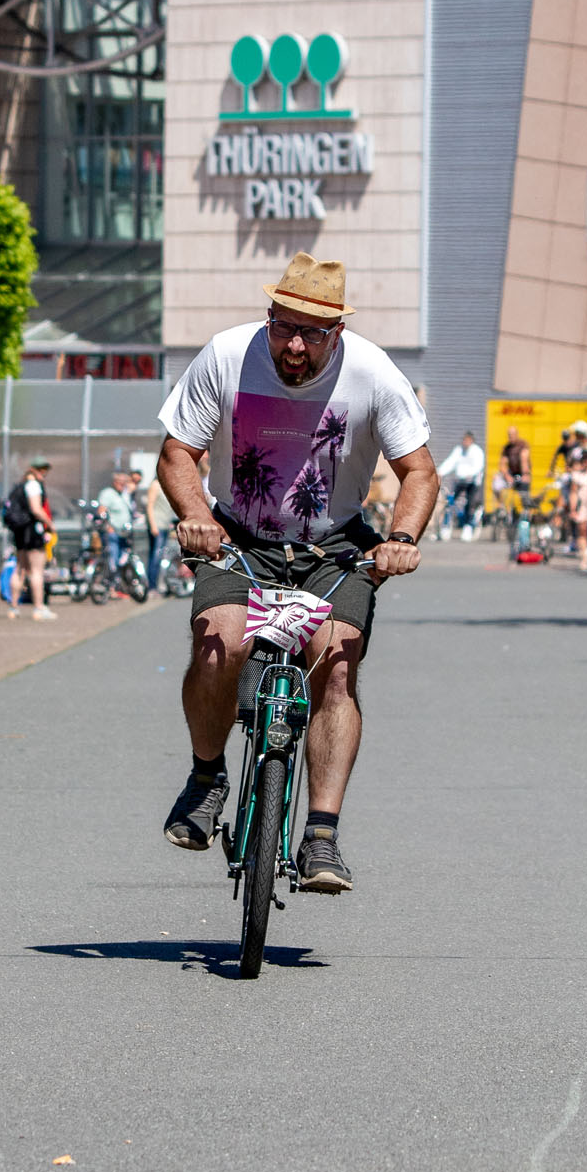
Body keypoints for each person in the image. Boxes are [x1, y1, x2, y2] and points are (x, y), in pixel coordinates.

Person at [155, 251, 437, 893]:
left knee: (336, 662)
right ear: (270, 316)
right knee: (218, 640)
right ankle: (206, 778)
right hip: (241, 538)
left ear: (337, 331)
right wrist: (198, 517)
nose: (295, 344)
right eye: (285, 326)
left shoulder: (371, 372)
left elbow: (418, 471)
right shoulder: (228, 356)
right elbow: (178, 455)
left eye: (313, 332)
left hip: (335, 545)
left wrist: (400, 538)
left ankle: (321, 836)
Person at [5, 457, 57, 621]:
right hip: (32, 531)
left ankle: (13, 608)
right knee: (36, 571)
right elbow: (36, 509)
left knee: (19, 568)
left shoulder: (20, 486)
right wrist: (49, 524)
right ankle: (39, 608)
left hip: (20, 531)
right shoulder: (34, 485)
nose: (44, 474)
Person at [438, 431, 485, 541]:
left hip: (472, 482)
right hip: (460, 481)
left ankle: (468, 527)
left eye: (467, 440)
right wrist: (440, 472)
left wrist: (470, 474)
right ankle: (447, 526)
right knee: (451, 502)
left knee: (470, 503)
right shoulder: (459, 450)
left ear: (471, 441)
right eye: (464, 440)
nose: (465, 442)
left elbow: (479, 466)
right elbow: (450, 462)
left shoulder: (477, 451)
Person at [97, 470, 135, 573]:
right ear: (114, 481)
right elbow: (101, 511)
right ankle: (113, 583)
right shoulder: (108, 493)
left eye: (125, 481)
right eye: (120, 481)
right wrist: (108, 526)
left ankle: (121, 581)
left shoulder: (125, 494)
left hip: (125, 533)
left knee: (123, 559)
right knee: (113, 558)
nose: (122, 484)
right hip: (113, 532)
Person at [145, 472, 177, 590]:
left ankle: (157, 583)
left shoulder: (166, 485)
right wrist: (153, 525)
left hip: (164, 525)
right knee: (155, 556)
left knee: (161, 555)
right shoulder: (155, 485)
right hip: (157, 525)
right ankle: (152, 586)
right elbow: (150, 505)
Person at [498, 426, 532, 519]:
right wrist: (507, 476)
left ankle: (526, 517)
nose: (510, 437)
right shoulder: (507, 447)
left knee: (524, 498)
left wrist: (525, 474)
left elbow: (524, 459)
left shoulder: (522, 445)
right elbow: (503, 463)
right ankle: (502, 509)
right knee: (497, 483)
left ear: (516, 434)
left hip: (522, 474)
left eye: (512, 435)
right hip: (511, 474)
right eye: (509, 435)